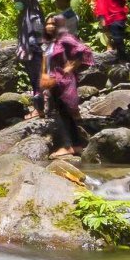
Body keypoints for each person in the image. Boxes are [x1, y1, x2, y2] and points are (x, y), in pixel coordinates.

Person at [41, 14, 94, 158]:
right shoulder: (51, 42)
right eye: (47, 24)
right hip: (54, 82)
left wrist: (70, 67)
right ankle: (76, 145)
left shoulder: (65, 38)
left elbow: (84, 50)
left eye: (53, 24)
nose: (50, 26)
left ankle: (67, 146)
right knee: (64, 113)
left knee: (62, 114)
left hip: (64, 81)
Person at [15, 0, 47, 116]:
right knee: (34, 80)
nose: (16, 5)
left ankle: (40, 109)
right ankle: (39, 108)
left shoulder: (34, 15)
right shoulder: (23, 15)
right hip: (27, 52)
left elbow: (40, 34)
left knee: (38, 80)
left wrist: (38, 49)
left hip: (35, 51)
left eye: (18, 2)